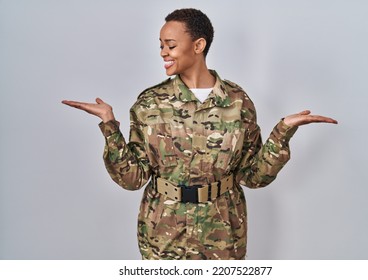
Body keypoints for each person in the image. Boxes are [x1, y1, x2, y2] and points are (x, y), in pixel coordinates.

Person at [62, 8, 337, 260]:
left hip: (223, 232)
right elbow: (132, 179)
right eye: (161, 46)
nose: (163, 53)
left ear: (198, 45)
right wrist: (109, 125)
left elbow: (253, 176)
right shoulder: (150, 104)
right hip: (162, 233)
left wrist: (282, 132)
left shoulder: (237, 101)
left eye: (170, 45)